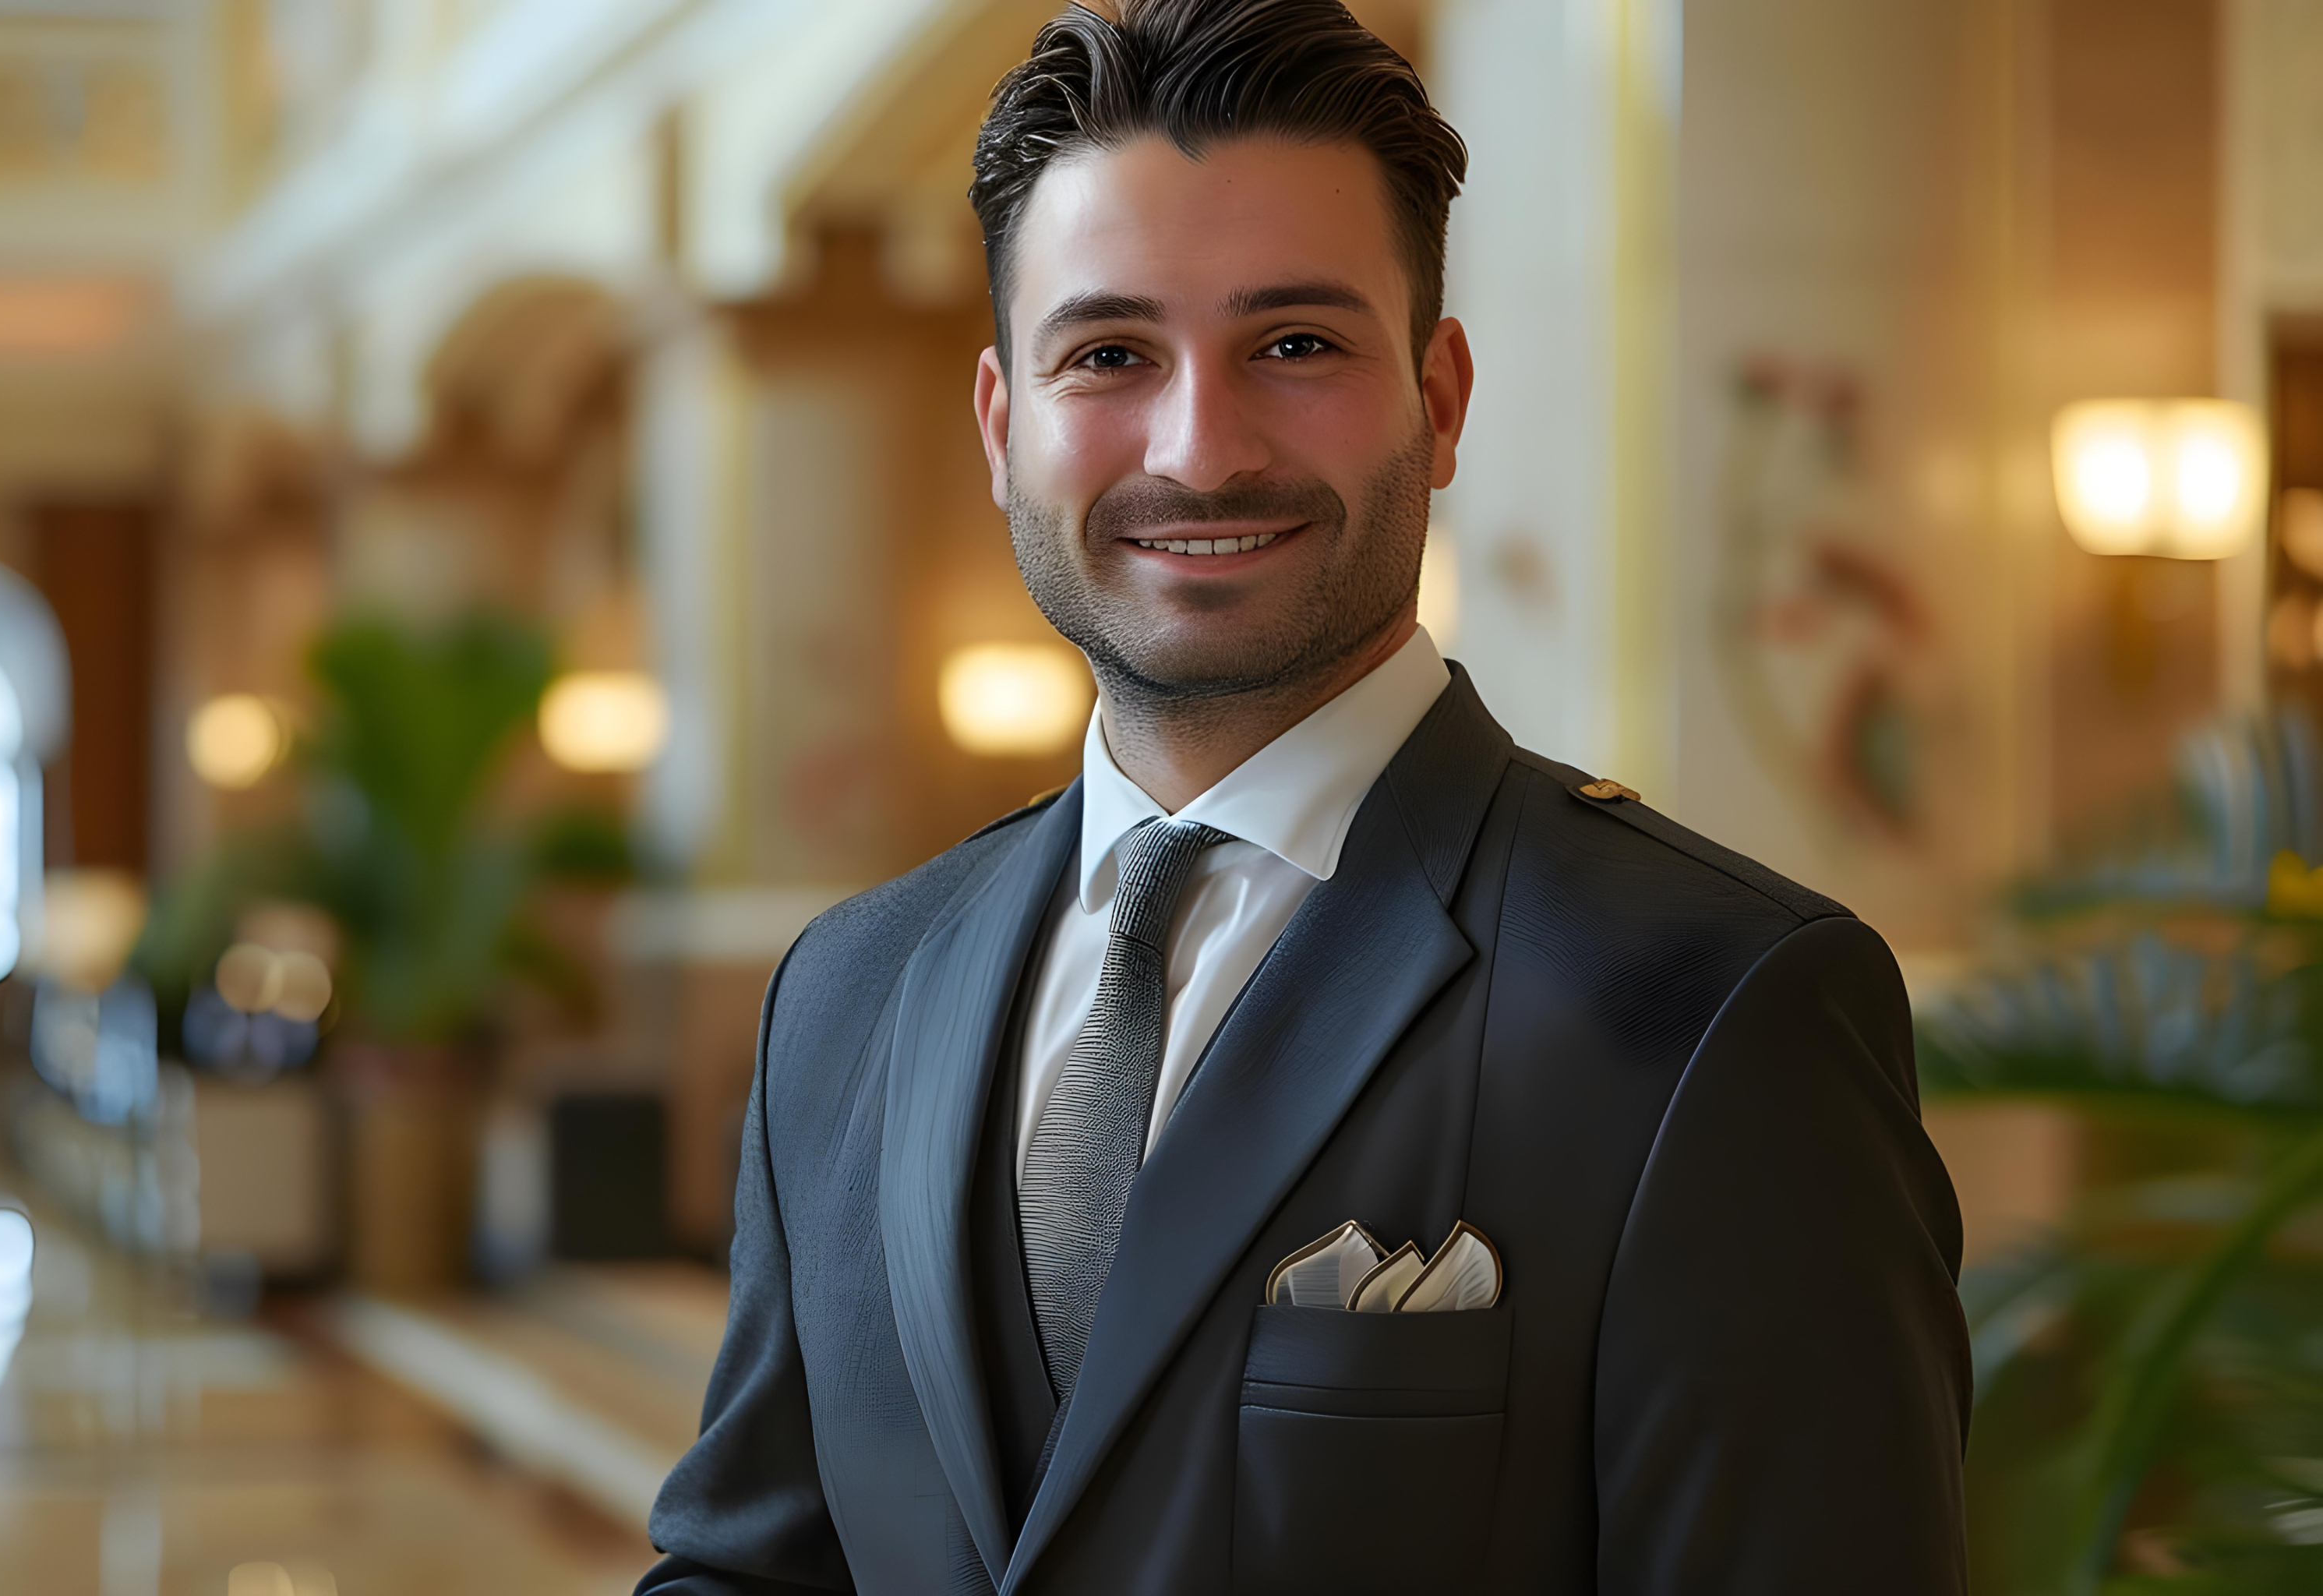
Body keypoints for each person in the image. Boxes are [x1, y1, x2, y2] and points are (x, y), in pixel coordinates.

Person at [637, 2, 1970, 1591]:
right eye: (1109, 353)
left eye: (1293, 344)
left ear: (1440, 399)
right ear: (1004, 426)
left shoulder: (1713, 1010)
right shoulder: (844, 996)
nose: (1200, 452)